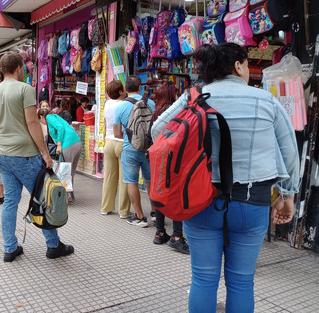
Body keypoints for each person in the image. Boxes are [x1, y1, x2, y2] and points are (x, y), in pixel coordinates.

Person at [152, 43, 300, 312]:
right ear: (239, 65)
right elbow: (290, 152)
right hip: (252, 202)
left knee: (204, 279)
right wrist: (287, 194)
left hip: (200, 200)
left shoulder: (193, 97)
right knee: (242, 282)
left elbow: (157, 132)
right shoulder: (266, 100)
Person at [0, 51, 74, 262]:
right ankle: (53, 245)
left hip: (4, 156)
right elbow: (33, 123)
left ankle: (10, 248)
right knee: (43, 198)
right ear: (18, 68)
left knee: (10, 202)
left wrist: (4, 143)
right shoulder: (25, 89)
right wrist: (46, 154)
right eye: (24, 68)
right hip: (25, 156)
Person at [114, 76, 157, 228]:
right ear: (140, 88)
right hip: (149, 148)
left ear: (126, 89)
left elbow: (117, 134)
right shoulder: (150, 103)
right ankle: (154, 213)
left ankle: (140, 216)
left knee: (131, 182)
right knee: (150, 180)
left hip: (130, 148)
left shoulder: (120, 107)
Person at [151, 83, 189, 253]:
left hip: (157, 156)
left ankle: (160, 233)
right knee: (175, 194)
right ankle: (177, 236)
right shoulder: (175, 111)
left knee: (160, 192)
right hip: (172, 156)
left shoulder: (157, 110)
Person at [100, 80, 131, 218]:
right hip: (122, 142)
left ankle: (106, 207)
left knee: (109, 177)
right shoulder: (125, 104)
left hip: (109, 142)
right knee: (124, 178)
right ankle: (123, 211)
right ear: (120, 92)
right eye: (123, 89)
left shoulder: (107, 104)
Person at [38, 109, 82, 201]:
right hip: (76, 143)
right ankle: (69, 196)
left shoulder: (49, 117)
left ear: (42, 117)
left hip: (68, 144)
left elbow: (60, 128)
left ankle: (64, 197)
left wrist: (59, 144)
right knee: (70, 172)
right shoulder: (55, 116)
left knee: (64, 171)